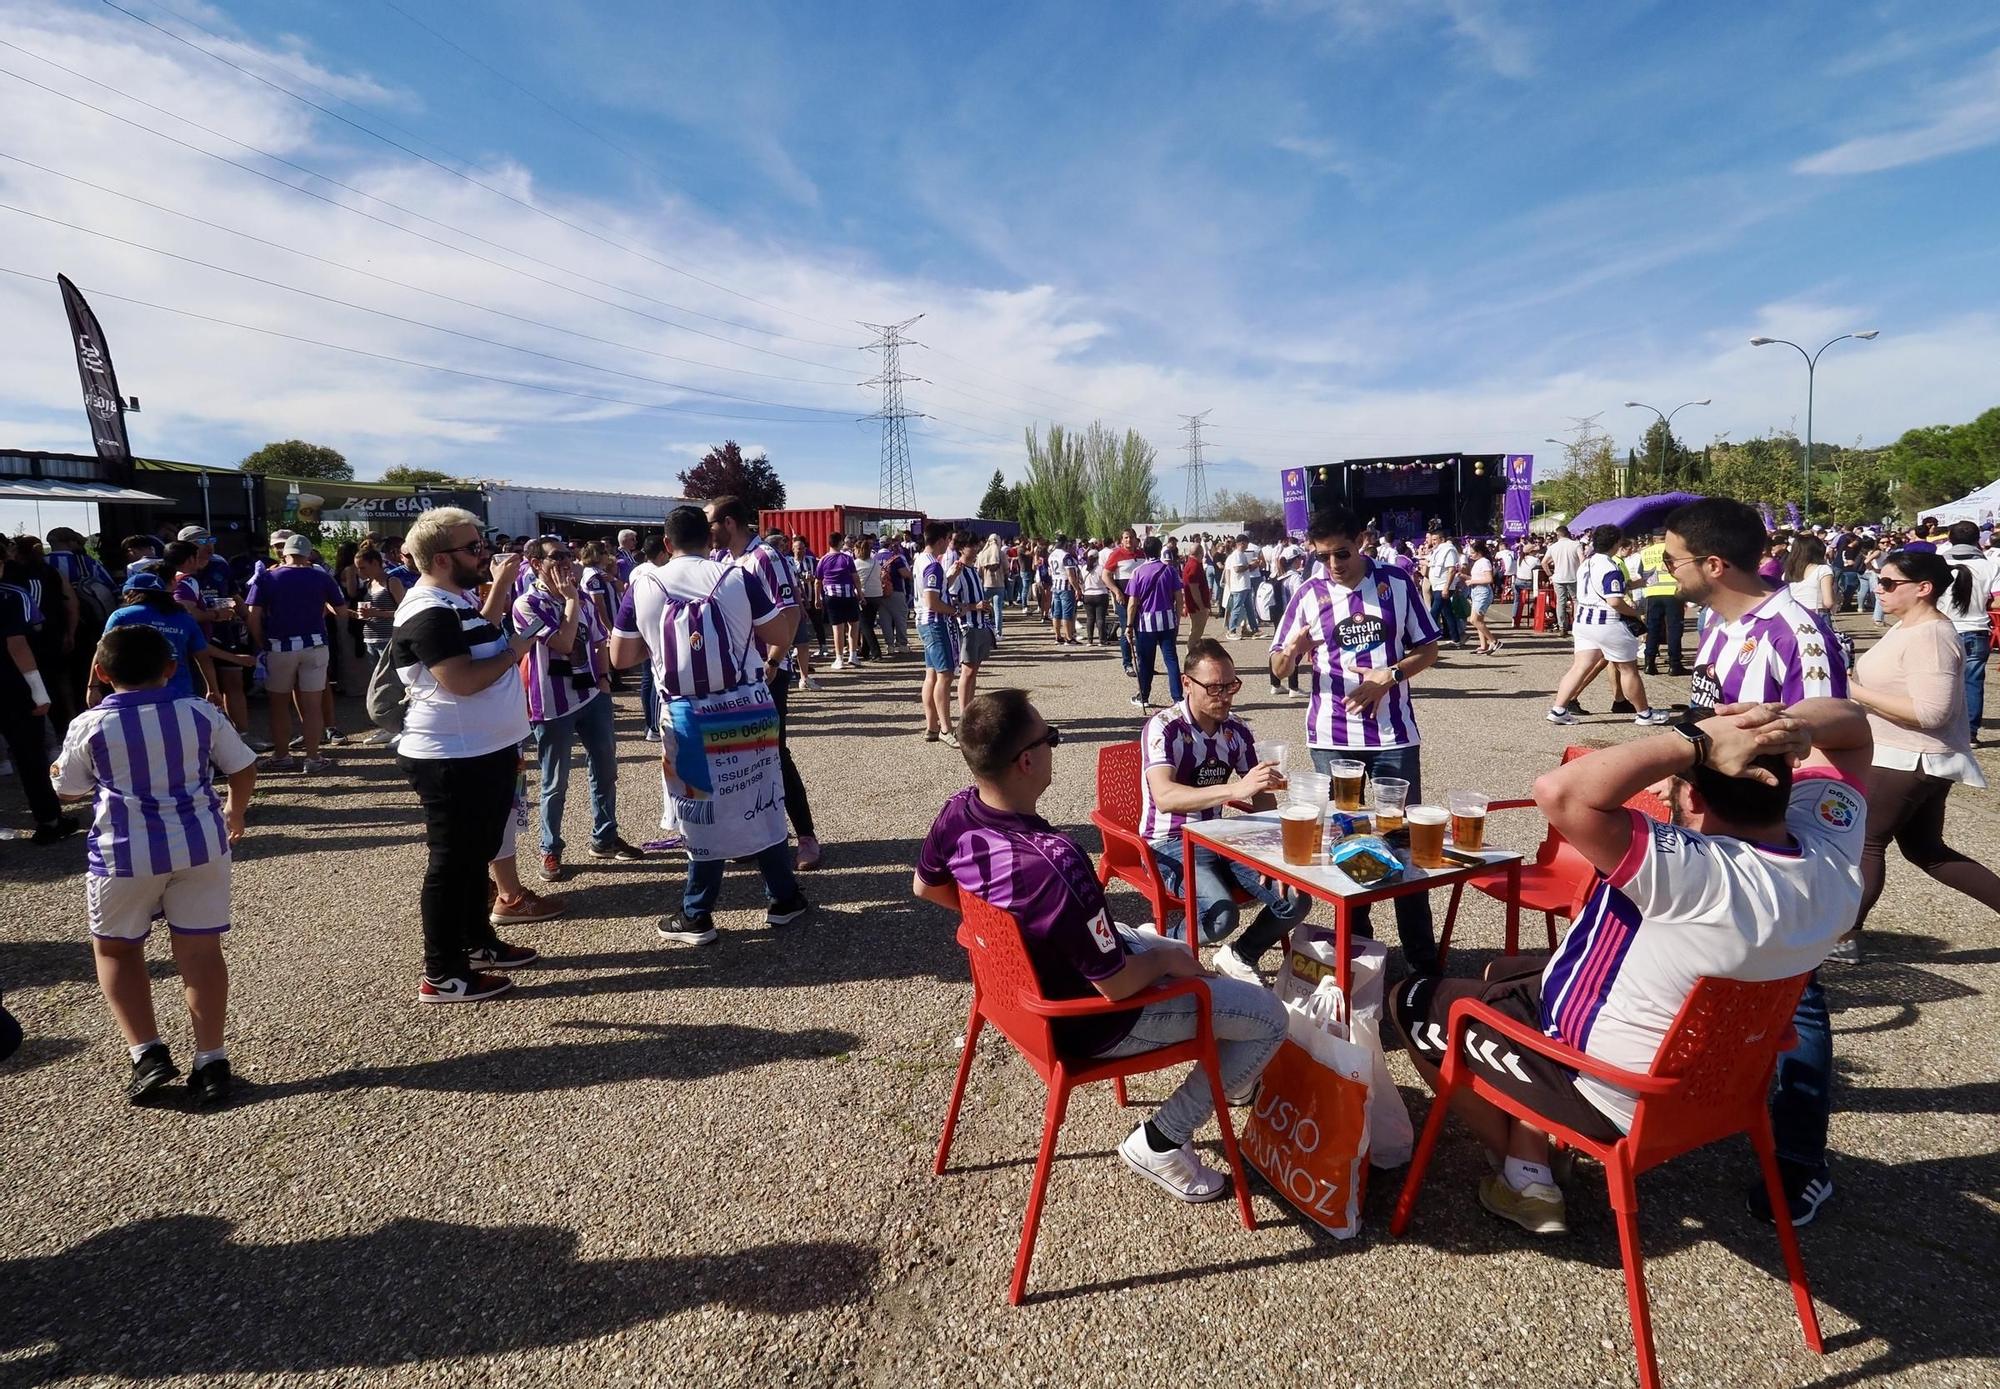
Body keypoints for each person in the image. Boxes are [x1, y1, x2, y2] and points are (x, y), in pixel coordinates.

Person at [1392, 696, 1870, 1235]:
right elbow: (1854, 730)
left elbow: (1559, 791)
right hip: (1713, 1089)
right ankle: (1532, 1139)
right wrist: (1772, 727)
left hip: (1602, 1088)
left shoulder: (1697, 875)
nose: (1663, 791)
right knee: (1502, 976)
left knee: (1412, 999)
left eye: (1674, 782)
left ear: (1697, 799)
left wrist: (1698, 740)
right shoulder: (1832, 857)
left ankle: (1525, 1176)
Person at [914, 688, 1289, 1202]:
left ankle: (1230, 1067)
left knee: (1172, 950)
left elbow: (926, 886)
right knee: (1268, 1018)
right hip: (1089, 1018)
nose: (1054, 746)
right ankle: (1161, 1141)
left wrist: (1010, 936)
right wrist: (1167, 960)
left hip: (1013, 997)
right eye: (1051, 738)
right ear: (1026, 761)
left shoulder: (957, 810)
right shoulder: (1056, 859)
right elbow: (1115, 985)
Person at [1659, 496, 1850, 1222]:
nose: (1663, 572)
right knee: (1711, 970)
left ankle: (1803, 1161)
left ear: (1713, 564)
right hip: (1716, 828)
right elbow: (1708, 715)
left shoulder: (1794, 624)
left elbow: (1838, 716)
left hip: (1771, 838)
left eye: (1671, 559)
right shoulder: (1720, 623)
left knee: (1795, 992)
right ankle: (1705, 1105)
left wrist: (1777, 730)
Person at [53, 624, 258, 1105]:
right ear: (171, 669)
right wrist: (236, 810)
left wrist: (55, 775)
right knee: (202, 952)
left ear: (101, 673)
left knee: (117, 950)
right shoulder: (199, 712)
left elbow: (69, 790)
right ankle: (211, 1057)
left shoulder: (91, 724)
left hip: (125, 853)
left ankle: (146, 1052)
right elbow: (242, 766)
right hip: (200, 845)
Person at [609, 505, 809, 944]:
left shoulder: (643, 583)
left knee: (699, 809)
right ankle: (783, 896)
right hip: (747, 708)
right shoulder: (738, 577)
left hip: (687, 716)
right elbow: (780, 635)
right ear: (709, 538)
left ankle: (697, 913)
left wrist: (663, 648)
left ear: (666, 544)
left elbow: (620, 658)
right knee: (762, 798)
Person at [1270, 506, 1443, 975]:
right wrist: (1293, 654)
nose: (1332, 565)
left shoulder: (1397, 584)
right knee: (1348, 842)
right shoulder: (1306, 594)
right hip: (1331, 738)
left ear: (1362, 540)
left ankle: (1422, 961)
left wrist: (1390, 675)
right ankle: (1359, 949)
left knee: (1404, 844)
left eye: (1341, 553)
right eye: (1321, 556)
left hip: (1393, 736)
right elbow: (1277, 667)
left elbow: (1428, 648)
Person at [390, 508, 543, 1004]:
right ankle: (443, 973)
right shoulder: (428, 610)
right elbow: (462, 679)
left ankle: (478, 944)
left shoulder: (454, 602)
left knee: (475, 858)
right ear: (439, 558)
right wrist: (518, 649)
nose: (484, 553)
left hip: (484, 750)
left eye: (482, 544)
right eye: (474, 548)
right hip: (451, 758)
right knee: (452, 866)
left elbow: (481, 633)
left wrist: (500, 586)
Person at [1845, 548, 2000, 952]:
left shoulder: (1931, 635)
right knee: (1926, 851)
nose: (1878, 589)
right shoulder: (1909, 627)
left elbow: (1931, 713)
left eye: (1889, 583)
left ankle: (1842, 937)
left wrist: (1855, 692)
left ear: (1923, 589)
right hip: (1912, 757)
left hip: (1909, 758)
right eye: (1879, 580)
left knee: (1867, 842)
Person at [1141, 639, 1309, 979]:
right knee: (1222, 916)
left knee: (1295, 895)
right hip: (1169, 842)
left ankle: (1240, 955)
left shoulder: (1236, 730)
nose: (1226, 696)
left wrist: (1272, 845)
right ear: (1187, 683)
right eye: (1214, 687)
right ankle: (1156, 944)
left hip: (1219, 836)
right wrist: (1236, 789)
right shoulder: (1165, 726)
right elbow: (1165, 796)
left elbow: (1261, 798)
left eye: (1231, 685)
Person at [515, 538, 638, 883]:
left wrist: (603, 679)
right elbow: (563, 643)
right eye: (556, 557)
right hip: (553, 703)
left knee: (606, 768)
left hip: (590, 694)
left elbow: (599, 639)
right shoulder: (528, 604)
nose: (566, 562)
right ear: (537, 563)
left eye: (568, 556)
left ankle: (605, 836)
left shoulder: (580, 597)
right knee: (555, 781)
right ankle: (550, 848)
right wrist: (569, 601)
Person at [711, 499, 821, 870]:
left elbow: (790, 612)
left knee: (775, 752)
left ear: (728, 522)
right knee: (742, 756)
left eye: (710, 521)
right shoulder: (721, 560)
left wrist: (774, 660)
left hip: (767, 672)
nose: (705, 528)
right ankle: (755, 837)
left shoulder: (766, 558)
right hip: (735, 676)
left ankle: (806, 836)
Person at [245, 535, 350, 775]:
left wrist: (262, 642)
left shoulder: (267, 577)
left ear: (284, 552)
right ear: (309, 553)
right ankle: (313, 757)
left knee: (278, 705)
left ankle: (282, 755)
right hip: (314, 644)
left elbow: (253, 616)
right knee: (312, 705)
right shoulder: (322, 577)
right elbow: (342, 612)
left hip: (279, 646)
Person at [1548, 525, 1670, 727]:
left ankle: (1558, 709)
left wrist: (1638, 583)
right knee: (1628, 670)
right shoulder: (1610, 566)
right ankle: (1644, 714)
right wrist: (1636, 613)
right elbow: (1614, 601)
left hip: (1584, 621)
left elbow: (1604, 586)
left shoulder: (1587, 563)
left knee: (1579, 667)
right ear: (1616, 543)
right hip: (1608, 623)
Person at [0, 552, 77, 844]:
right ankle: (49, 820)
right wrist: (39, 691)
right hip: (12, 688)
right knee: (29, 756)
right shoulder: (11, 595)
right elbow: (17, 644)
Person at [100, 572, 223, 707]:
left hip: (132, 695)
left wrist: (93, 686)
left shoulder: (121, 616)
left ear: (131, 593)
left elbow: (103, 651)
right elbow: (203, 657)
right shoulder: (184, 618)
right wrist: (213, 689)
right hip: (180, 693)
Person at [1936, 521, 2000, 741]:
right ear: (1977, 540)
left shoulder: (1938, 563)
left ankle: (1941, 728)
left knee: (1940, 680)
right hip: (1976, 628)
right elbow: (1998, 602)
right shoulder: (1991, 565)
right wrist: (1981, 602)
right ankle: (1970, 733)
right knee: (1973, 682)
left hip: (1942, 627)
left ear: (1950, 539)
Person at [914, 520, 963, 746]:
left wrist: (951, 576)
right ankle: (946, 728)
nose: (949, 545)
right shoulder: (932, 564)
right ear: (942, 540)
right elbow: (932, 601)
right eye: (949, 540)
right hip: (934, 622)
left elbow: (935, 590)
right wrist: (954, 610)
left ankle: (932, 725)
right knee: (945, 674)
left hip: (924, 621)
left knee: (931, 674)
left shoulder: (920, 560)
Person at [1125, 536, 1184, 711]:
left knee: (1146, 661)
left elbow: (1133, 602)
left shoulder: (1137, 572)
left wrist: (1128, 625)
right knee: (1171, 660)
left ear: (1144, 551)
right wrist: (1177, 619)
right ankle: (1177, 697)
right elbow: (1179, 599)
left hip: (1146, 623)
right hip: (1167, 621)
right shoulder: (1170, 570)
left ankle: (1144, 695)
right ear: (1160, 550)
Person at [949, 531, 995, 717]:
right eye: (972, 546)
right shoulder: (957, 571)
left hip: (980, 624)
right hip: (966, 626)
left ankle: (969, 710)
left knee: (974, 670)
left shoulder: (973, 570)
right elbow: (950, 602)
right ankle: (963, 714)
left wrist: (983, 608)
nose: (976, 549)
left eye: (977, 545)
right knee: (967, 671)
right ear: (961, 548)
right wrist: (973, 607)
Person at [1635, 529, 1687, 677]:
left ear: (1654, 538)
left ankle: (1649, 664)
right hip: (1673, 593)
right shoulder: (1673, 551)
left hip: (1652, 594)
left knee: (1652, 629)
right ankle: (1674, 664)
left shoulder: (1645, 552)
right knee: (1674, 629)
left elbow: (1641, 572)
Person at [1102, 527, 1143, 677]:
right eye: (1126, 537)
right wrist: (1116, 591)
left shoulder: (1142, 554)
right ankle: (1128, 663)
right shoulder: (1116, 554)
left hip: (1141, 599)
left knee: (1141, 631)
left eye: (1131, 537)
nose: (1129, 540)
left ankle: (1142, 663)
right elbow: (1105, 576)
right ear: (1121, 540)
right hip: (1124, 599)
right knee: (1127, 629)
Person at [817, 534, 862, 670]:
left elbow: (817, 581)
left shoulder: (823, 559)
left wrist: (817, 598)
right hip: (848, 594)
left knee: (837, 628)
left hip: (831, 596)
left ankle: (839, 658)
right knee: (853, 625)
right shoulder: (847, 558)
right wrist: (860, 594)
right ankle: (853, 655)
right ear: (840, 542)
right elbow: (856, 578)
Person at [1424, 525, 1465, 647]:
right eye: (1432, 540)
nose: (1433, 542)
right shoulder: (1438, 550)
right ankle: (1456, 638)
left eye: (1435, 540)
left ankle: (1427, 639)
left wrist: (1446, 587)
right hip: (1437, 586)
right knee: (1447, 613)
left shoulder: (1449, 550)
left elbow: (1451, 570)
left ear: (1442, 539)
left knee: (1433, 613)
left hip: (1443, 587)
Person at [1463, 539, 1503, 656]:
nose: (1471, 555)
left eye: (1473, 552)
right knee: (1478, 621)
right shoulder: (1478, 562)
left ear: (1480, 552)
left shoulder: (1485, 561)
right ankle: (1483, 645)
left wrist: (1472, 581)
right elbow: (1478, 577)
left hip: (1483, 593)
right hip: (1476, 592)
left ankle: (1493, 641)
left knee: (1474, 620)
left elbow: (1489, 579)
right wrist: (1465, 577)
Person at [1543, 525, 1583, 633]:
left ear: (1558, 535)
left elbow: (1544, 562)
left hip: (1558, 578)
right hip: (1573, 577)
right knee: (1576, 601)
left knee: (1561, 602)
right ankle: (1576, 624)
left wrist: (1550, 575)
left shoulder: (1553, 547)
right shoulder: (1576, 545)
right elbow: (1582, 559)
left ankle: (1562, 626)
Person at [855, 535, 886, 662]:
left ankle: (876, 652)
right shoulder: (875, 563)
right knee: (869, 623)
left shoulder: (855, 564)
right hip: (877, 594)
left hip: (864, 595)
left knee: (864, 625)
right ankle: (865, 651)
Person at [1046, 535, 1081, 645]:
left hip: (1056, 586)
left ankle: (1057, 636)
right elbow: (1070, 575)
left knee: (1056, 613)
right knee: (1067, 613)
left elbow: (1050, 572)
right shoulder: (1066, 556)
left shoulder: (1051, 555)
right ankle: (1069, 637)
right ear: (1065, 543)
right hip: (1066, 587)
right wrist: (1077, 589)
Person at [1222, 537, 1259, 639]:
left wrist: (1253, 566)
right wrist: (1248, 565)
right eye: (1246, 544)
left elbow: (1243, 569)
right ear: (1241, 543)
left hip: (1245, 585)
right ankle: (1231, 630)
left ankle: (1255, 629)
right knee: (1236, 609)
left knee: (1250, 609)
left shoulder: (1242, 555)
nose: (1247, 546)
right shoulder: (1236, 555)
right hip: (1239, 587)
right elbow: (1237, 569)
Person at [1180, 540, 1211, 651]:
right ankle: (1191, 654)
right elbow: (1194, 588)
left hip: (1193, 605)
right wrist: (1201, 606)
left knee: (1195, 630)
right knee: (1196, 632)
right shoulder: (1194, 566)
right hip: (1196, 606)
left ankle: (1193, 652)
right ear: (1201, 553)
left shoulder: (1190, 564)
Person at [1080, 548, 1112, 647]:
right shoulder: (1101, 568)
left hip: (1088, 594)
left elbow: (1080, 581)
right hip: (1101, 593)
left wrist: (1082, 591)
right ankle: (1102, 640)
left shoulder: (1084, 568)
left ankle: (1090, 640)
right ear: (1098, 558)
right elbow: (1106, 580)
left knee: (1090, 618)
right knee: (1100, 618)